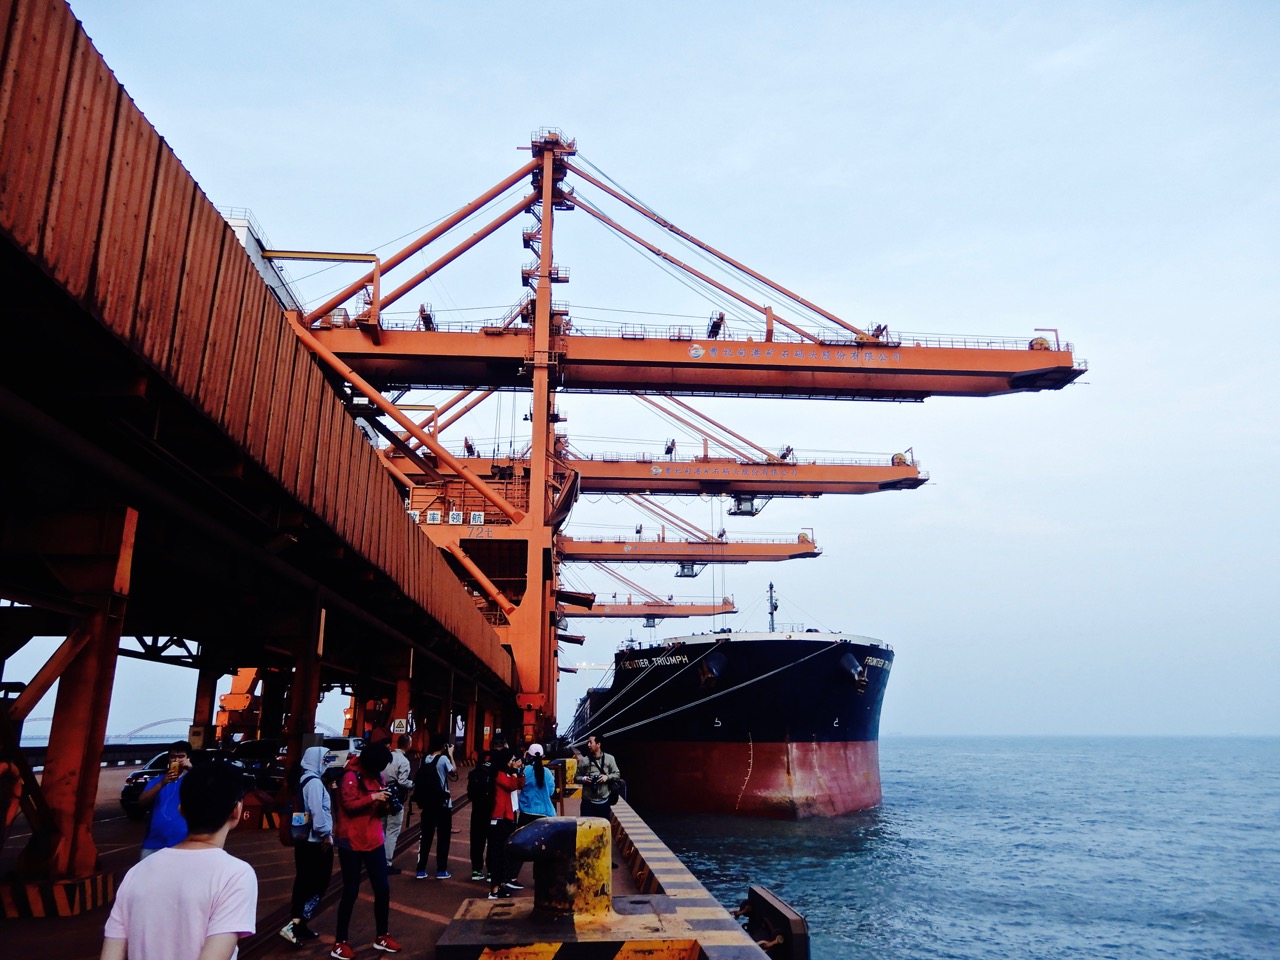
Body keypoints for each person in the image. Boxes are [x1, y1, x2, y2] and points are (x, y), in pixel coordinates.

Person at [102, 760, 257, 960]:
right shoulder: (236, 875)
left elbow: (111, 954)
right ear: (236, 811)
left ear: (181, 809)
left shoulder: (137, 872)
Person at [332, 741, 401, 958]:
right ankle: (340, 942)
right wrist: (373, 797)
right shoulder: (350, 777)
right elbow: (349, 806)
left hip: (374, 839)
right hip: (351, 841)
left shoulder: (377, 777)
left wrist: (386, 803)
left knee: (383, 889)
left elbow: (378, 812)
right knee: (350, 891)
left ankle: (382, 935)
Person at [279, 746, 334, 946]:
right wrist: (326, 834)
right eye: (325, 759)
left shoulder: (303, 780)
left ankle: (300, 926)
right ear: (316, 760)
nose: (327, 763)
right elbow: (318, 814)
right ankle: (294, 925)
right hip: (316, 842)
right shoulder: (315, 784)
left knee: (303, 882)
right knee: (319, 885)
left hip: (304, 841)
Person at [138, 740, 193, 858]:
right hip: (154, 842)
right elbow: (142, 801)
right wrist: (162, 783)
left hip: (182, 842)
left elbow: (206, 792)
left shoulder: (192, 780)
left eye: (181, 757)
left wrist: (191, 769)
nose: (176, 760)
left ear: (188, 758)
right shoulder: (157, 781)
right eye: (173, 757)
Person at [414, 732, 455, 879]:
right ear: (443, 746)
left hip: (428, 803)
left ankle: (420, 869)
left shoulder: (425, 759)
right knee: (443, 837)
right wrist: (451, 755)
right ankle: (441, 870)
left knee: (426, 837)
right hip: (443, 803)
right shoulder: (443, 758)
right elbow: (453, 772)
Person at [486, 749, 524, 900]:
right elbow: (511, 786)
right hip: (499, 819)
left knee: (504, 854)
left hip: (508, 817)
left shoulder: (506, 773)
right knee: (498, 854)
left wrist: (519, 772)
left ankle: (500, 885)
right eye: (511, 759)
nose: (512, 762)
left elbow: (520, 784)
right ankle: (494, 889)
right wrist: (515, 771)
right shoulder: (498, 774)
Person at [381, 734, 414, 874]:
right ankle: (387, 863)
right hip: (395, 799)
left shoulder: (387, 757)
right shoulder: (404, 761)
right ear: (407, 745)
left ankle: (377, 859)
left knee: (381, 829)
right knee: (392, 831)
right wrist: (412, 784)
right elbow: (402, 781)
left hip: (382, 796)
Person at [466, 749, 495, 881]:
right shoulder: (496, 773)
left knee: (477, 841)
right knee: (493, 842)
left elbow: (470, 795)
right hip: (493, 812)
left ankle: (476, 870)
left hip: (477, 811)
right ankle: (491, 871)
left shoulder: (473, 774)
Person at [575, 734, 621, 819]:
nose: (588, 745)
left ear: (598, 744)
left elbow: (617, 774)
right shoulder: (584, 761)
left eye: (590, 742)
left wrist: (606, 777)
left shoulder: (610, 759)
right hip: (588, 802)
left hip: (604, 802)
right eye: (588, 743)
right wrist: (584, 779)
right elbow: (576, 777)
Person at [517, 743, 555, 826]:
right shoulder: (548, 773)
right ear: (542, 756)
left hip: (526, 813)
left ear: (528, 755)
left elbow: (518, 785)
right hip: (545, 813)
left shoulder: (524, 771)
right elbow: (551, 791)